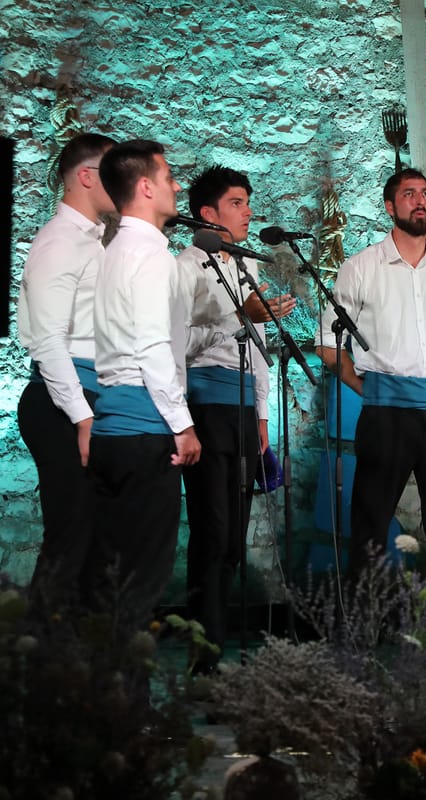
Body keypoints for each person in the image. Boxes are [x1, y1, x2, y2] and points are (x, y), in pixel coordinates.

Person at [316, 168, 426, 588]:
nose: (420, 201)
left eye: (425, 193)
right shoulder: (361, 267)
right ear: (390, 206)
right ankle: (367, 615)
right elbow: (328, 343)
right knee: (370, 523)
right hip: (386, 414)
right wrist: (364, 387)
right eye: (409, 194)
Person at [178, 166, 295, 670]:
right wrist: (239, 317)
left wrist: (262, 416)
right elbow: (177, 343)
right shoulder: (186, 267)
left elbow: (260, 353)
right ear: (208, 214)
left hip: (244, 409)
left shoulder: (244, 267)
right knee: (212, 530)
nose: (248, 212)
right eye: (236, 203)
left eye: (248, 202)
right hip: (205, 404)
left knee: (235, 534)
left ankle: (219, 646)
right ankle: (201, 655)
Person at [81, 139, 201, 626]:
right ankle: (126, 674)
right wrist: (183, 425)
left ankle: (98, 669)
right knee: (141, 577)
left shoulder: (112, 250)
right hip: (145, 430)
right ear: (146, 187)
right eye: (169, 177)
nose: (177, 186)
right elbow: (152, 347)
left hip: (111, 428)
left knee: (109, 575)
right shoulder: (151, 255)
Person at [16, 133, 116, 612]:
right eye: (114, 172)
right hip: (62, 400)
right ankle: (39, 648)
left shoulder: (95, 241)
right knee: (70, 536)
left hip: (91, 394)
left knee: (95, 540)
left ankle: (82, 646)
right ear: (86, 177)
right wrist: (82, 415)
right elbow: (47, 341)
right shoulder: (59, 241)